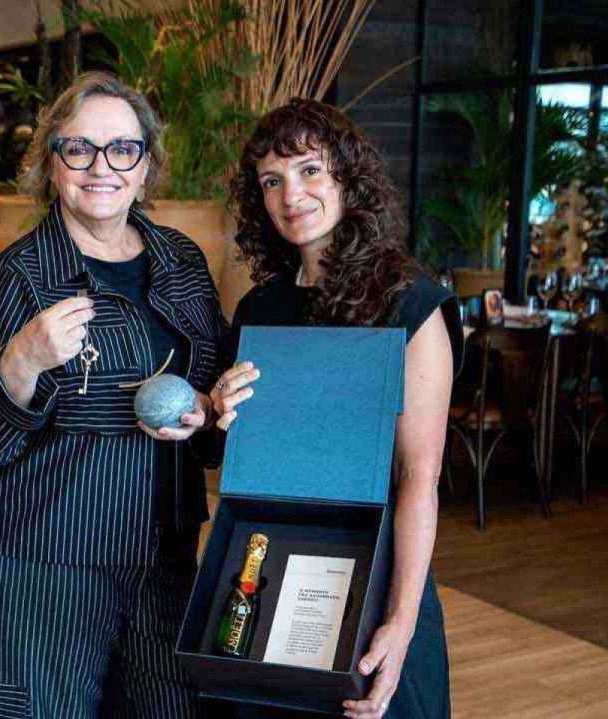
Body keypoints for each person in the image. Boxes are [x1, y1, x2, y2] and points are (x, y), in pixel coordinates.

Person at [0, 71, 225, 719]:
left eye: (122, 149)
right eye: (79, 149)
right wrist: (21, 362)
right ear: (52, 162)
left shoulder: (182, 263)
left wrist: (207, 409)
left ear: (146, 164)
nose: (102, 167)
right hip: (48, 568)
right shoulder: (19, 277)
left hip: (164, 561)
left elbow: (213, 423)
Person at [211, 99, 463, 719]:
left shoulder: (411, 305)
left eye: (309, 171)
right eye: (272, 180)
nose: (290, 194)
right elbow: (239, 465)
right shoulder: (258, 311)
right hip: (270, 575)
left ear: (348, 178)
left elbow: (419, 478)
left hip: (375, 577)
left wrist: (400, 623)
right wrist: (219, 413)